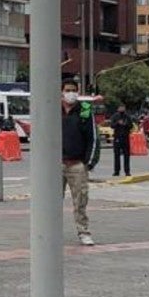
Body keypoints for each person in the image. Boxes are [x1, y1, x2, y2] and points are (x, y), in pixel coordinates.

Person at [60, 79, 100, 246]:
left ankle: (83, 231)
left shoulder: (84, 111)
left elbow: (93, 139)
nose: (71, 93)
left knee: (80, 201)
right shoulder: (53, 109)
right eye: (68, 90)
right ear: (61, 92)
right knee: (51, 201)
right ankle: (51, 231)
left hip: (77, 164)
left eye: (74, 90)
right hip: (56, 163)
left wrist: (88, 163)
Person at [109, 103, 133, 177]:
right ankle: (116, 171)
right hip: (117, 137)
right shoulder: (115, 116)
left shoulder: (127, 116)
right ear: (118, 108)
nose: (122, 109)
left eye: (123, 107)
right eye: (120, 107)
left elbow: (131, 125)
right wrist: (117, 123)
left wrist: (126, 124)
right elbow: (112, 125)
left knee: (127, 155)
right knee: (116, 155)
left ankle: (127, 171)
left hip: (125, 137)